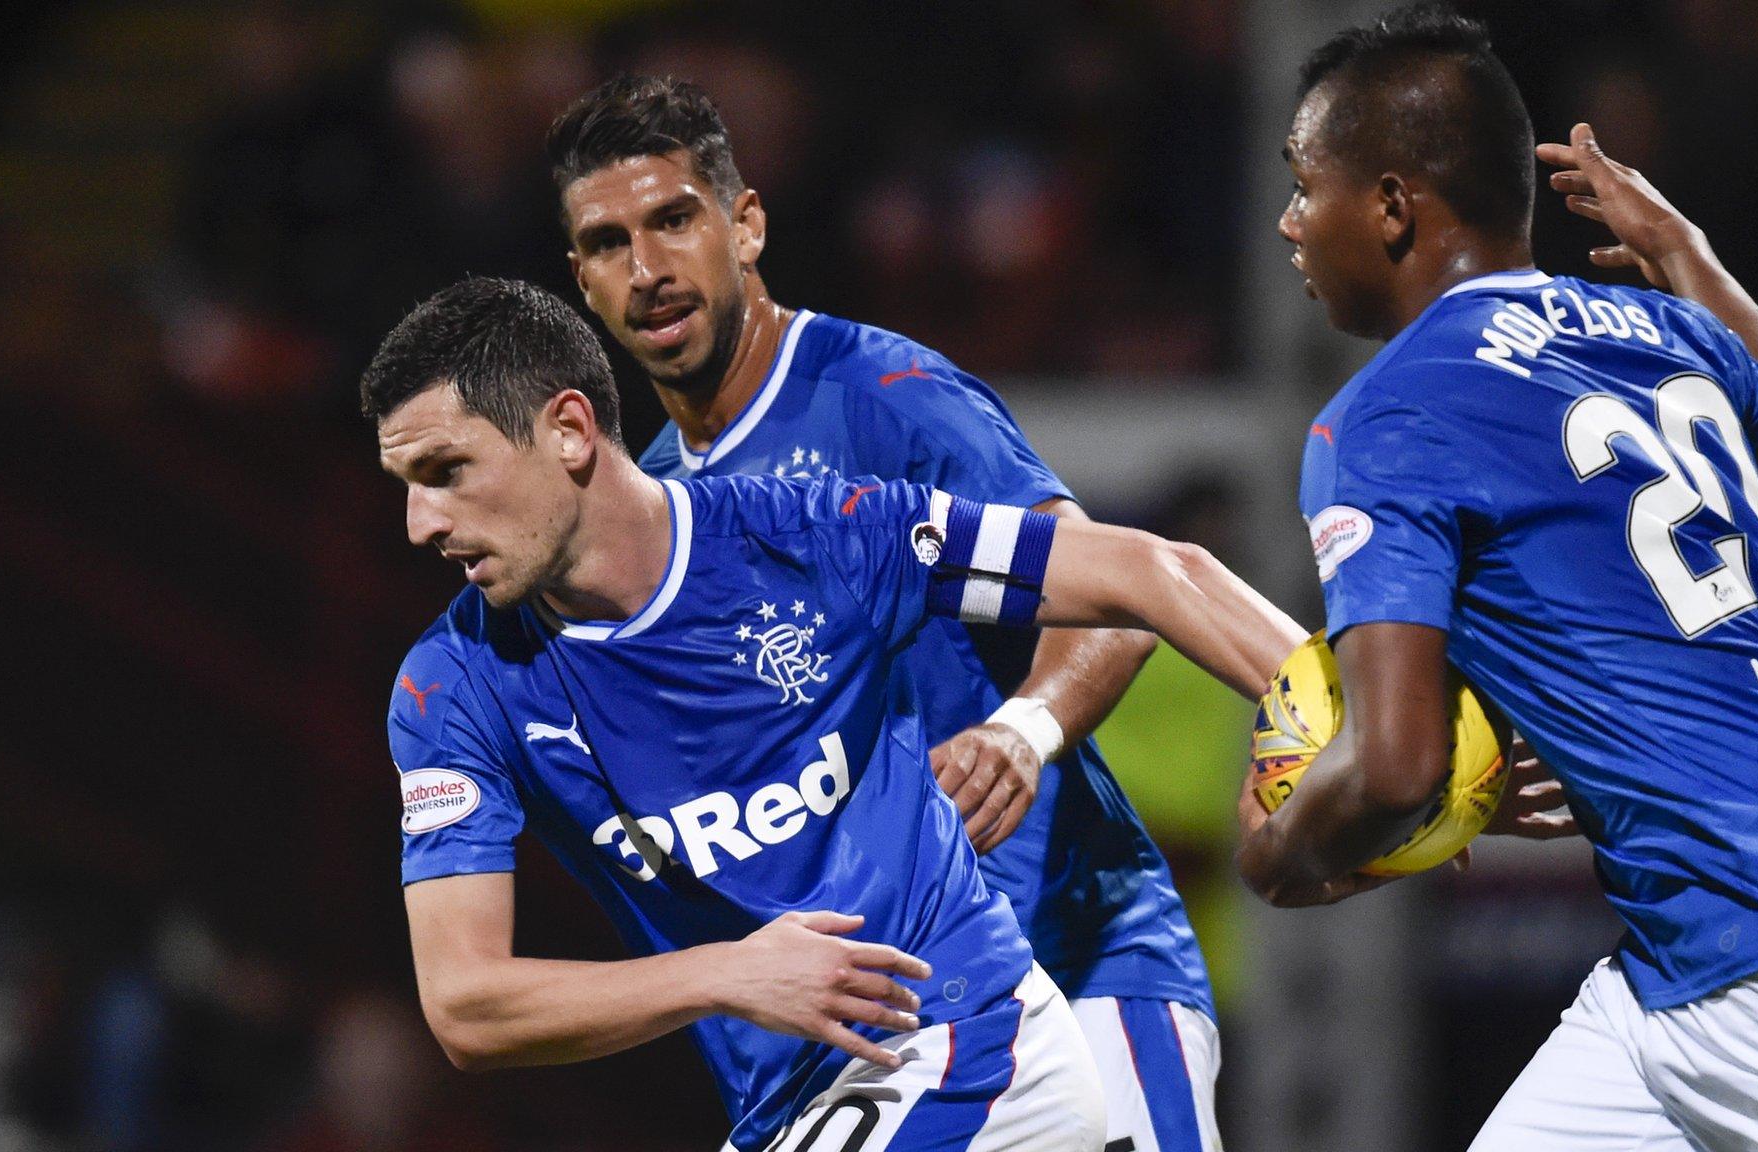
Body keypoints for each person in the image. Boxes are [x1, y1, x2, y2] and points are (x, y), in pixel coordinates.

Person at [1234, 7, 1758, 1150]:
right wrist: (1685, 254)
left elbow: (1394, 764)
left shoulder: (1389, 414)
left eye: (1307, 185)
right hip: (1670, 968)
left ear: (1394, 206)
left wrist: (1276, 848)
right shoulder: (1658, 327)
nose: (1289, 222)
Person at [366, 277, 1305, 1152]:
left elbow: (1149, 571)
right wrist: (724, 974)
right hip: (793, 1109)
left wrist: (1352, 718)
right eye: (406, 486)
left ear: (569, 430)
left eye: (446, 470)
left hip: (967, 1044)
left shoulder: (815, 535)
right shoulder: (451, 689)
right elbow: (466, 1004)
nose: (417, 525)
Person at [544, 74, 1220, 1150]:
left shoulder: (884, 395)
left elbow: (1121, 596)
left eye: (673, 220)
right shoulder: (659, 507)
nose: (648, 268)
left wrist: (1021, 727)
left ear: (745, 224)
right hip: (892, 1025)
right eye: (609, 243)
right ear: (580, 282)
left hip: (1077, 959)